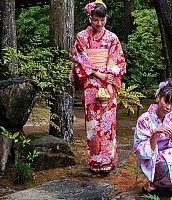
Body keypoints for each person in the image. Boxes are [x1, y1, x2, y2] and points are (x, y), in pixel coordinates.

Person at [70, 0, 126, 174]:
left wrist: (109, 80)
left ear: (106, 18)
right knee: (93, 124)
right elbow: (80, 60)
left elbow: (118, 61)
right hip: (91, 84)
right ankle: (95, 162)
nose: (99, 23)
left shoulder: (112, 38)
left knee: (109, 124)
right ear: (89, 18)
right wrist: (97, 73)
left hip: (108, 85)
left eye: (102, 20)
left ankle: (108, 161)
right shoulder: (82, 37)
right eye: (95, 20)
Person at [133, 79, 172, 198]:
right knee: (166, 162)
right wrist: (155, 133)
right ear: (159, 97)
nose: (168, 107)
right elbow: (140, 149)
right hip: (153, 157)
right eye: (166, 102)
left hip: (171, 151)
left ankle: (170, 184)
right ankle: (155, 182)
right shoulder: (144, 119)